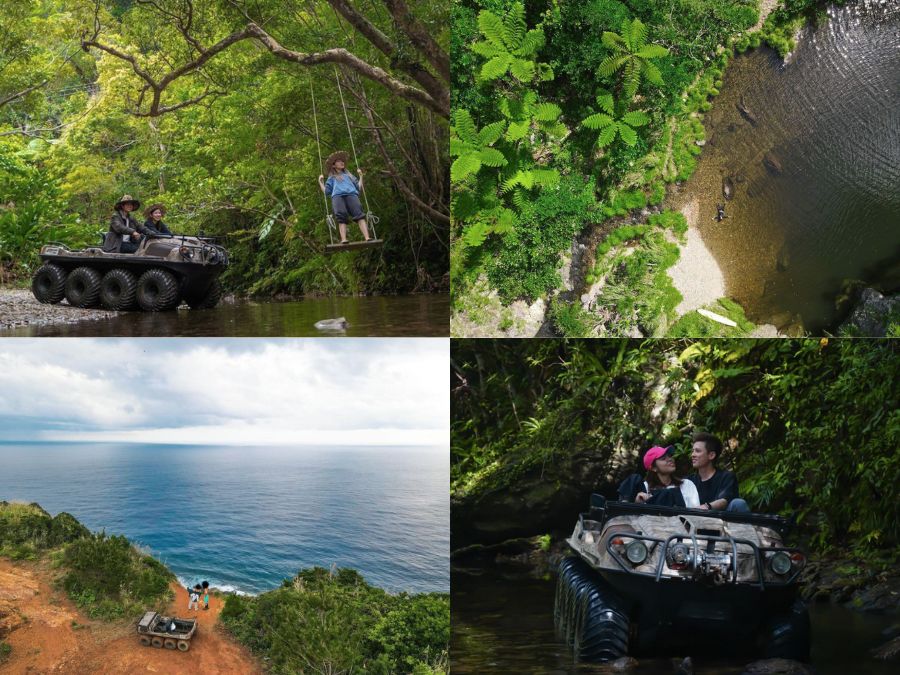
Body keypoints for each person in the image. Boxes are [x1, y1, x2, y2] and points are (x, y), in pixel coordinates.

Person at [686, 432, 750, 512]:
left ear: (711, 455)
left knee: (739, 503)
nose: (693, 454)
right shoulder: (689, 481)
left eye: (697, 451)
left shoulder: (726, 477)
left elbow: (725, 500)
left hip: (722, 521)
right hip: (693, 521)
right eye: (693, 451)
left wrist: (706, 507)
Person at [618, 445, 699, 508]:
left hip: (680, 526)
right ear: (653, 468)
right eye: (663, 458)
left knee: (669, 493)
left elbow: (695, 513)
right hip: (650, 527)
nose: (670, 459)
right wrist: (637, 504)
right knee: (634, 478)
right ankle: (623, 505)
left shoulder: (686, 484)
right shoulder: (644, 488)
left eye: (670, 456)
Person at [318, 150, 371, 244]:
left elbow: (358, 188)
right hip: (337, 197)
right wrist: (320, 182)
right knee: (341, 216)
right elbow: (327, 192)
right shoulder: (332, 177)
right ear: (334, 165)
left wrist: (361, 176)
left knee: (359, 214)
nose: (342, 162)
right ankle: (344, 239)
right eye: (338, 161)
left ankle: (367, 237)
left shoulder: (349, 175)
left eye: (342, 161)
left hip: (351, 194)